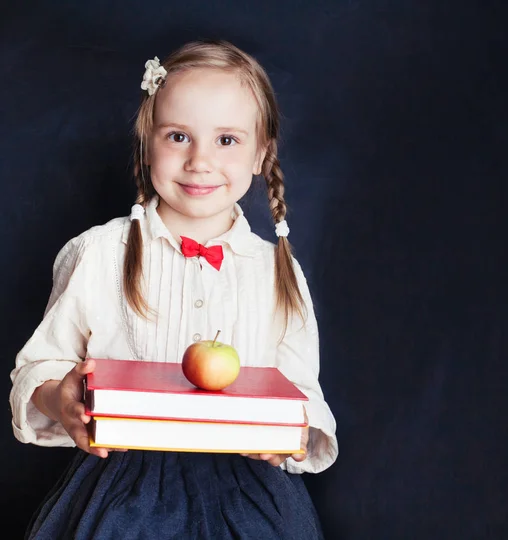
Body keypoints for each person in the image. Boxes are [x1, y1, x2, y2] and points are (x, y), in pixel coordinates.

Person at [9, 39, 338, 539]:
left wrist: (288, 438)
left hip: (251, 504)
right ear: (147, 144)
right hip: (121, 495)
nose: (200, 161)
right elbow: (39, 367)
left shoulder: (277, 273)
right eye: (179, 136)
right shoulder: (98, 254)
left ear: (261, 153)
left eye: (227, 139)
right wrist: (62, 399)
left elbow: (303, 396)